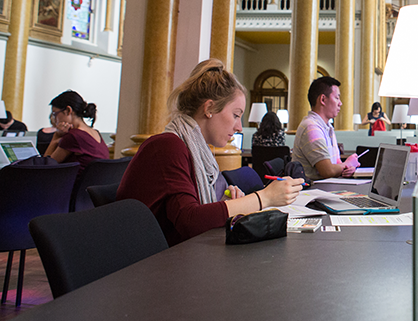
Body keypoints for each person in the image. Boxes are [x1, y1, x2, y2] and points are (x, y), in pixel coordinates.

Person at [117, 59, 302, 246]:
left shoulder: (197, 150)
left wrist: (223, 202)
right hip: (149, 265)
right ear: (209, 108)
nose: (239, 127)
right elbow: (190, 221)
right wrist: (265, 197)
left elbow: (190, 211)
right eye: (236, 115)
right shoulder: (167, 146)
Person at [292, 76, 358, 181]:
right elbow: (327, 171)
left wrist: (346, 168)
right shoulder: (311, 127)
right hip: (313, 192)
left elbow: (336, 164)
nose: (340, 103)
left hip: (327, 187)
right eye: (337, 98)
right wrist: (348, 163)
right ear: (323, 99)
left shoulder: (327, 127)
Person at [45, 91, 110, 174]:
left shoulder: (73, 136)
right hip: (93, 185)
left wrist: (56, 137)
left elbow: (46, 167)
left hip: (74, 186)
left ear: (68, 110)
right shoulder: (96, 133)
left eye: (55, 114)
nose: (55, 120)